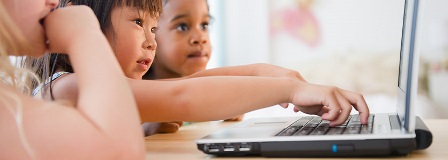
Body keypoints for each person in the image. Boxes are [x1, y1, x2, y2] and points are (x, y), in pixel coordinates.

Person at [32, 0, 370, 138]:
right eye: (138, 22)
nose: (152, 43)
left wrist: (285, 77)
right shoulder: (65, 87)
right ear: (85, 19)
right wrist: (288, 91)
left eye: (153, 29)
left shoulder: (98, 85)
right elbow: (182, 95)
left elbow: (200, 81)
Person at [0, 0, 145, 159]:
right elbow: (122, 152)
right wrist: (84, 33)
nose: (54, 2)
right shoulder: (65, 84)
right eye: (138, 22)